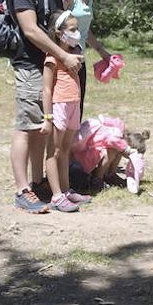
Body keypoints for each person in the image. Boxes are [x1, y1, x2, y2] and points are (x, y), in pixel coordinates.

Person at [8, 0, 82, 213]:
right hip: (29, 64)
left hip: (49, 61)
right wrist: (62, 54)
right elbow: (30, 30)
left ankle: (39, 182)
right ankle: (21, 189)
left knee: (42, 128)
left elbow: (56, 23)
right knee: (26, 127)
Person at [57, 0, 115, 111]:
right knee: (62, 121)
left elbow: (83, 29)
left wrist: (103, 53)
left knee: (76, 118)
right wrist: (64, 57)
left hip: (79, 60)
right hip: (63, 63)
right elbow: (53, 29)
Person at [43, 11, 90, 213]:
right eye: (72, 29)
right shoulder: (52, 58)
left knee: (65, 149)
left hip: (73, 105)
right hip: (59, 107)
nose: (76, 33)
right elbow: (46, 89)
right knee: (54, 151)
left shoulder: (74, 55)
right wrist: (47, 117)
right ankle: (56, 196)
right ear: (59, 33)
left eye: (76, 29)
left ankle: (66, 189)